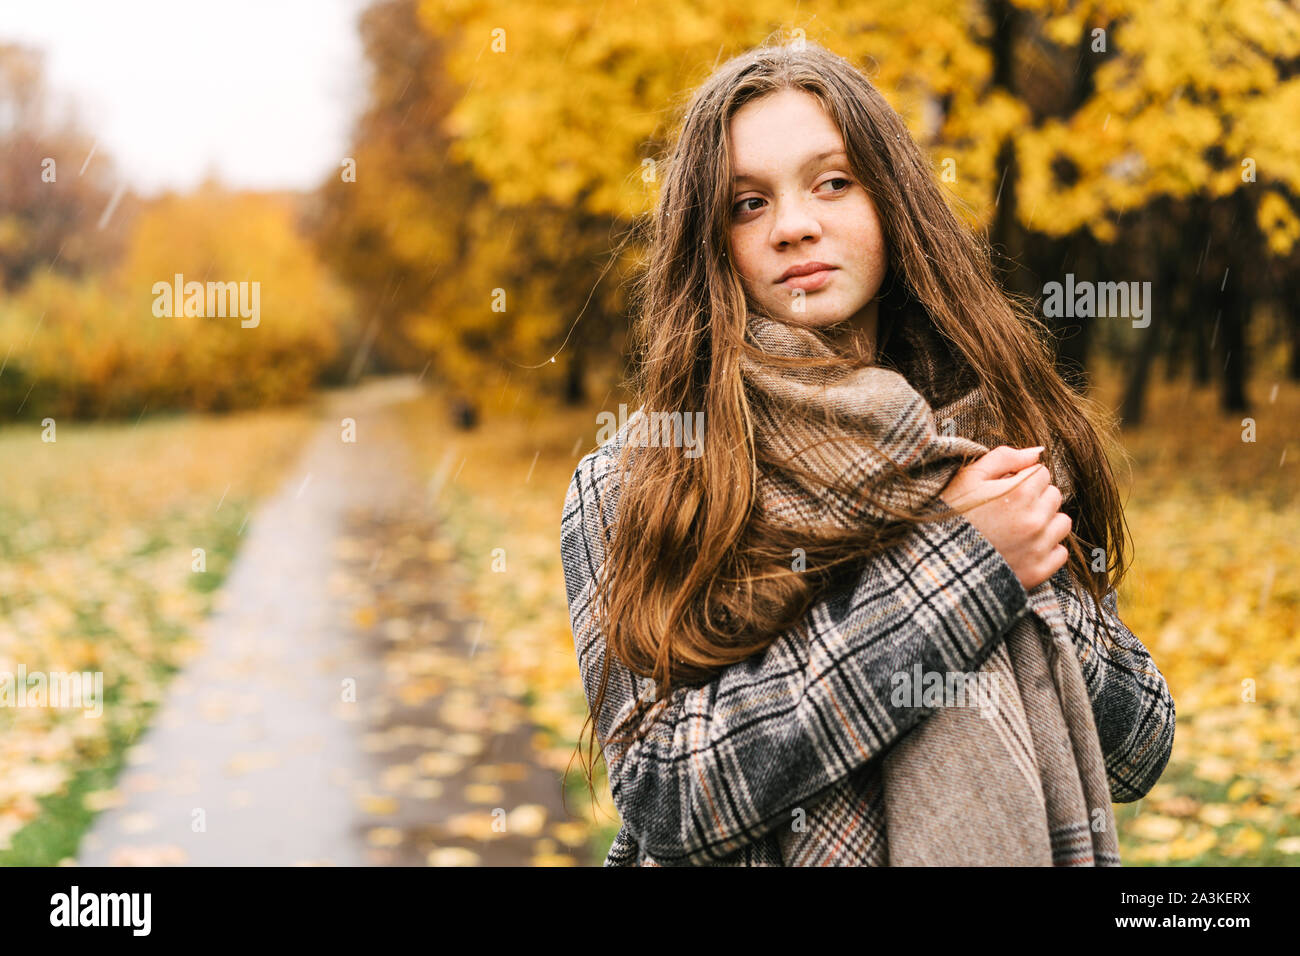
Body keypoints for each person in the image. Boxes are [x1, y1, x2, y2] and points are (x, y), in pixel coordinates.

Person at [560, 39, 1174, 866]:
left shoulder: (990, 429)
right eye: (746, 203)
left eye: (834, 183)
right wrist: (957, 568)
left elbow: (1140, 745)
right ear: (711, 243)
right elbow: (664, 793)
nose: (794, 226)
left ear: (892, 202)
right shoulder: (638, 481)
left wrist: (1026, 559)